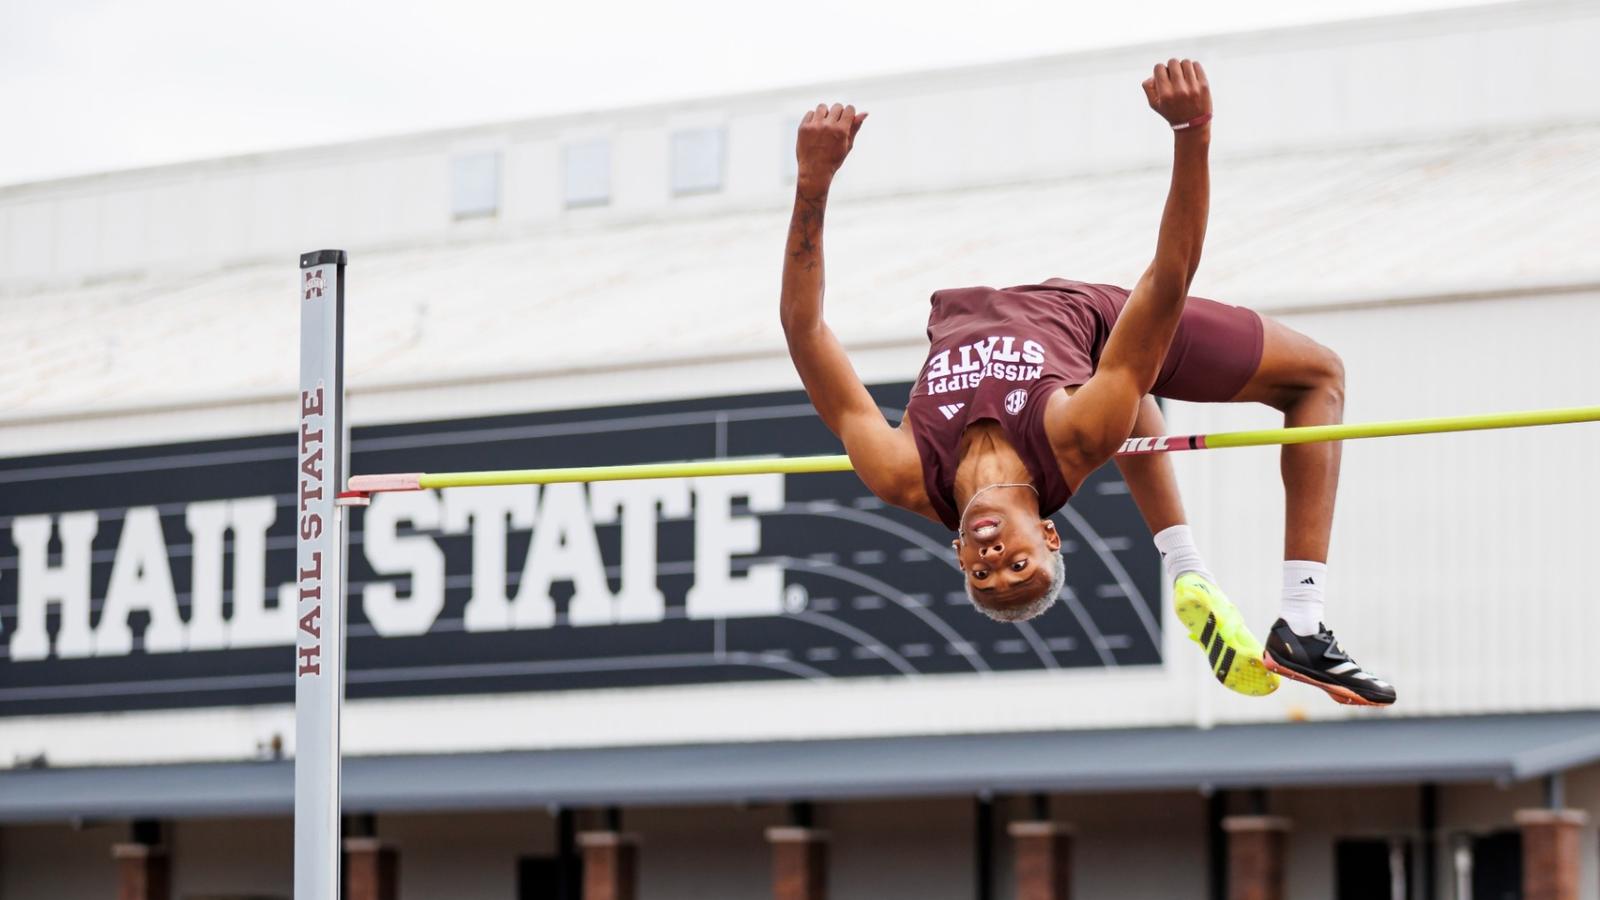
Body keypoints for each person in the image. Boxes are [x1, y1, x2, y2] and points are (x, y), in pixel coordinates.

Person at [778, 59, 1395, 707]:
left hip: (1086, 374)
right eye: (1019, 565)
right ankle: (1302, 622)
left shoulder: (900, 470)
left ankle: (1188, 570)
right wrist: (1192, 131)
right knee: (1317, 376)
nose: (995, 558)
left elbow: (804, 330)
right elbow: (1167, 278)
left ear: (960, 555)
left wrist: (812, 182)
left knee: (1120, 405)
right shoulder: (1070, 435)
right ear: (1049, 535)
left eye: (983, 575)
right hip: (1099, 318)